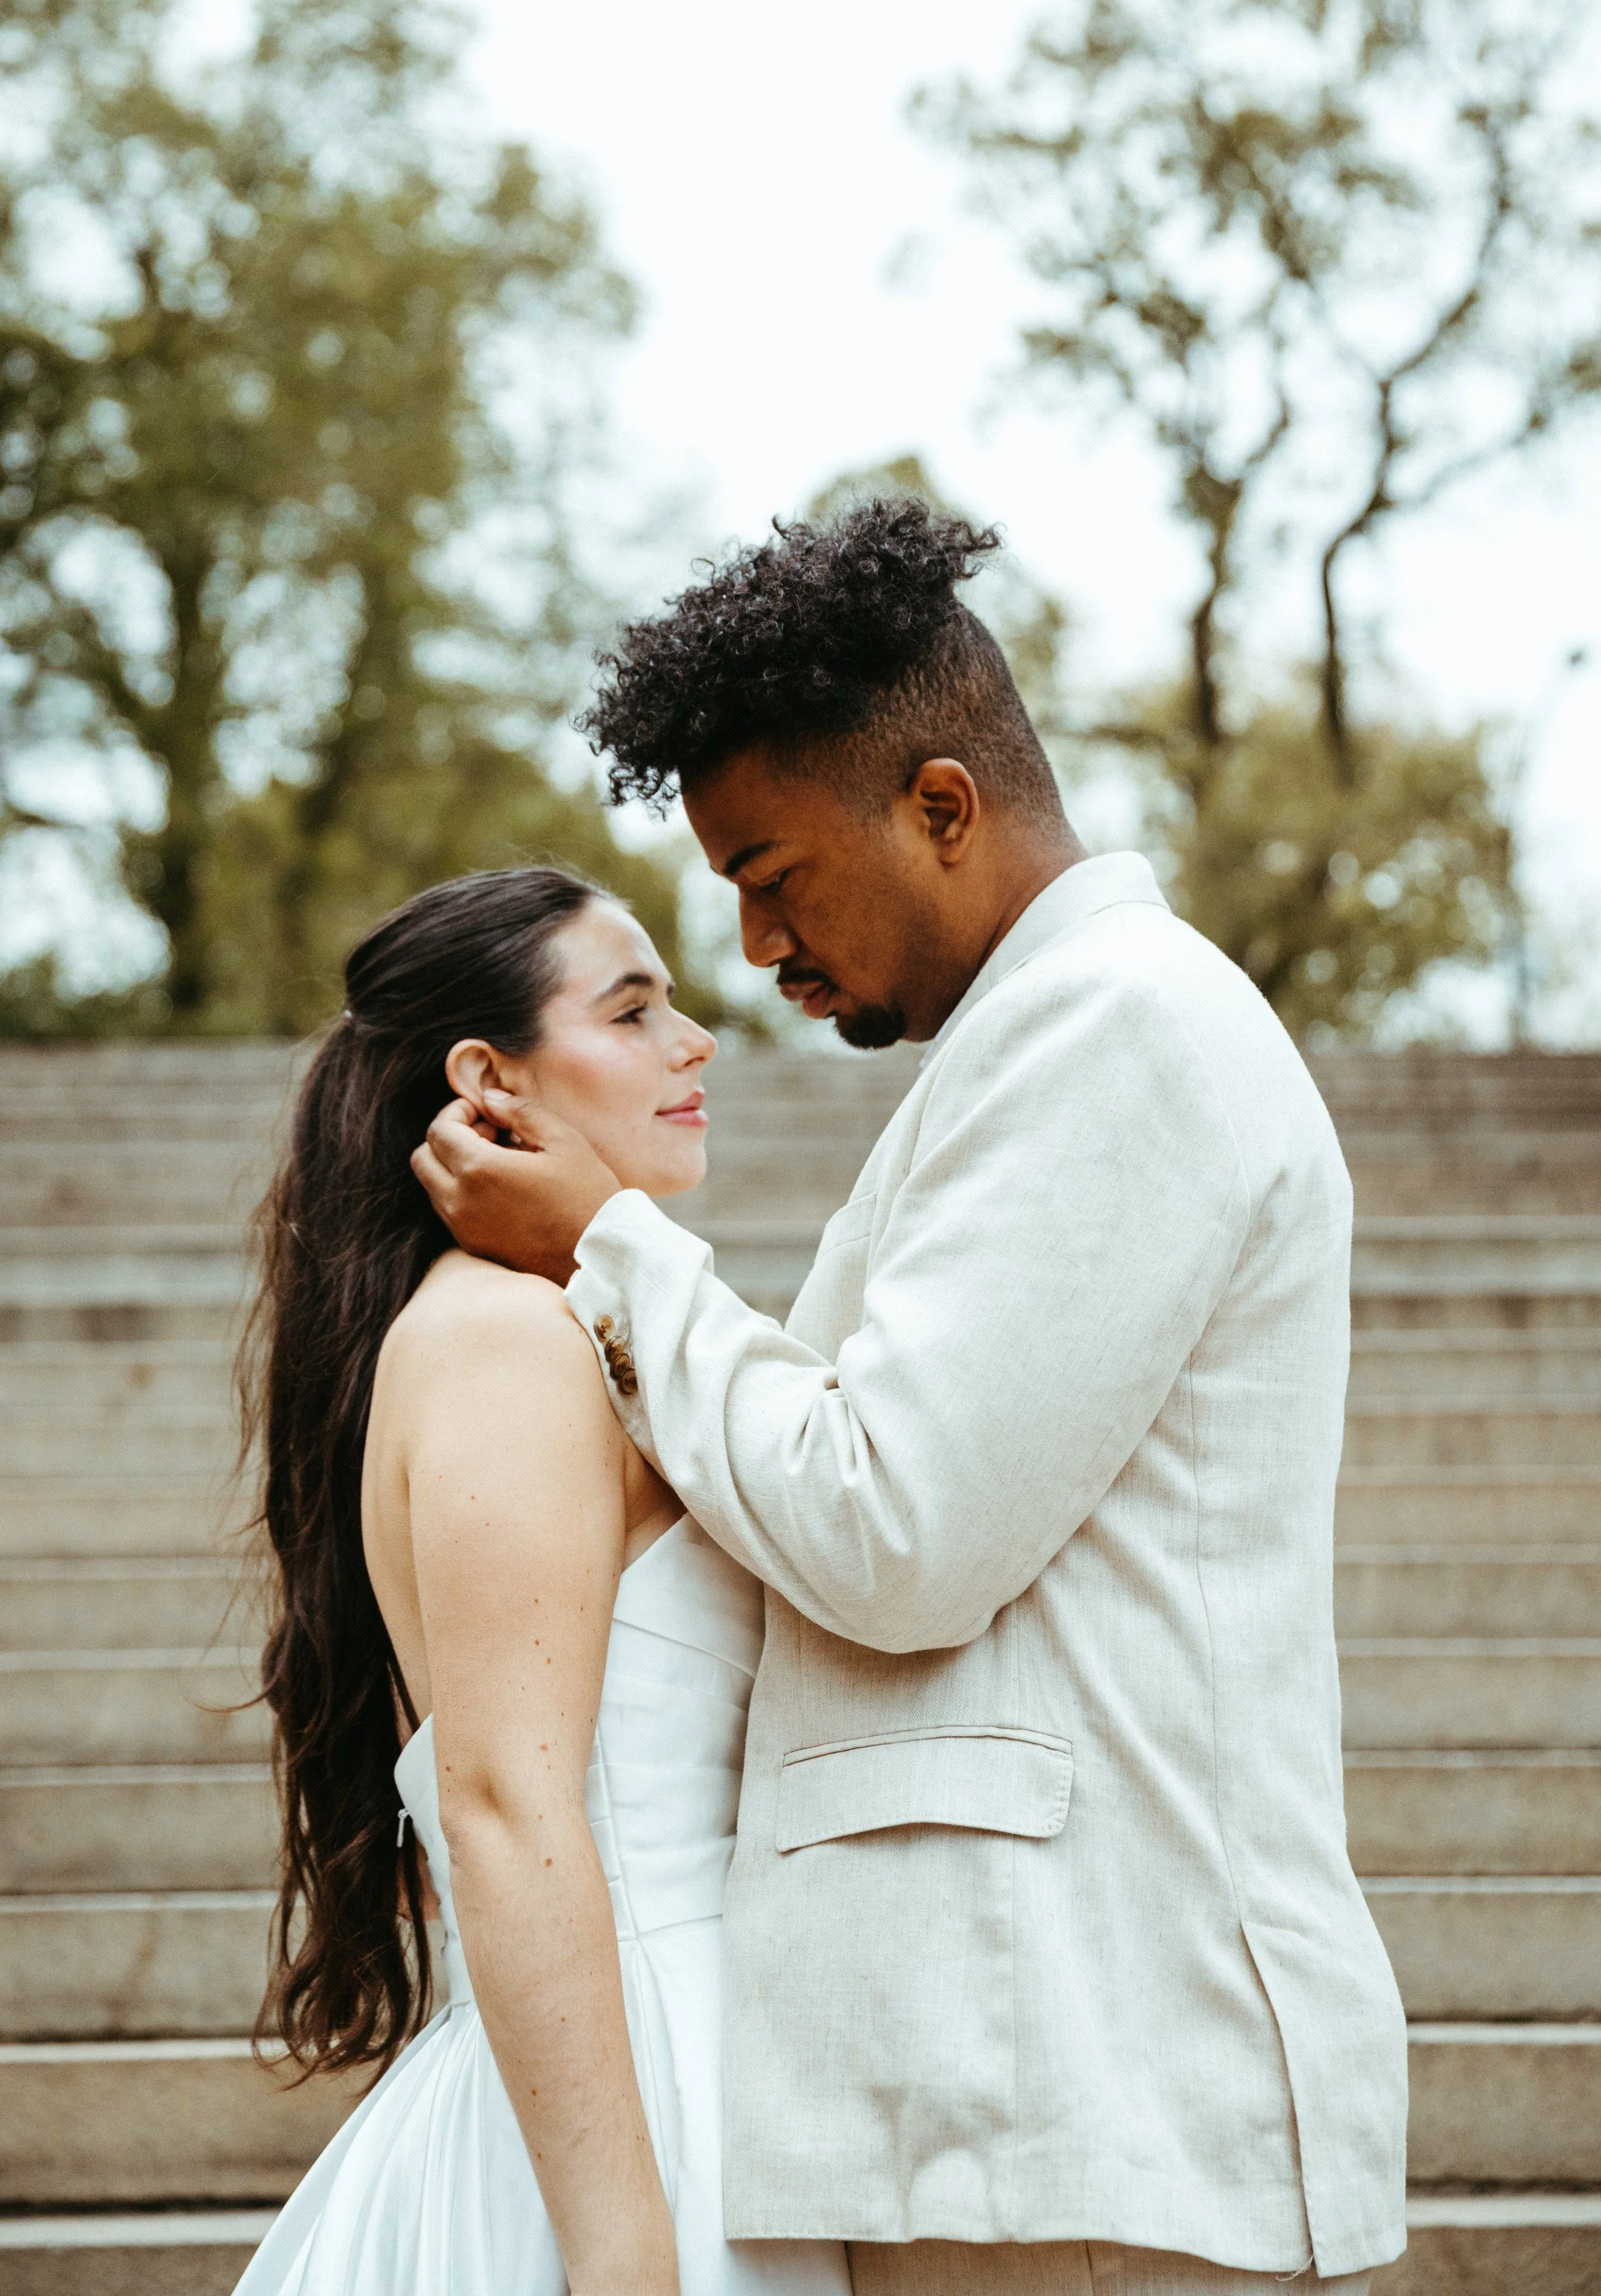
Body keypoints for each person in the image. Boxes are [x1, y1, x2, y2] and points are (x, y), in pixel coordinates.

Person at [414, 500, 1411, 2296]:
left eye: (772, 871)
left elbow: (894, 1530)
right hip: (1019, 2105)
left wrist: (619, 1250)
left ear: (938, 807)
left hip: (1095, 2102)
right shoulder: (1040, 1041)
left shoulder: (1122, 1028)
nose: (753, 948)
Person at [236, 863, 849, 2296]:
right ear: (487, 1077)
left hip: (688, 2063)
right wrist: (623, 2261)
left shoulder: (548, 1326)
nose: (694, 1042)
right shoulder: (504, 1342)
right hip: (631, 2102)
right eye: (633, 1011)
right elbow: (506, 1807)